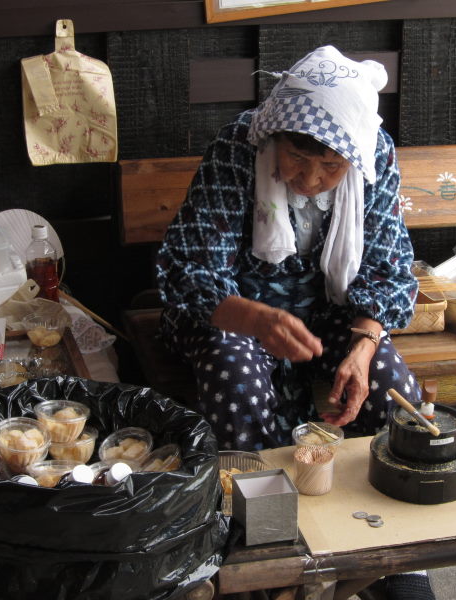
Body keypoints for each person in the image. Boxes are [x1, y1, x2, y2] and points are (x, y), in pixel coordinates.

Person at [156, 45, 421, 452]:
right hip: (236, 313)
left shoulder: (374, 152)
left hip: (329, 312)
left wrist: (363, 349)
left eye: (332, 166)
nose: (311, 179)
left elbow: (387, 264)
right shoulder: (240, 145)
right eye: (296, 157)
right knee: (236, 380)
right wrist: (258, 320)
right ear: (274, 135)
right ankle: (257, 499)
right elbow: (192, 266)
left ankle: (373, 497)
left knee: (392, 390)